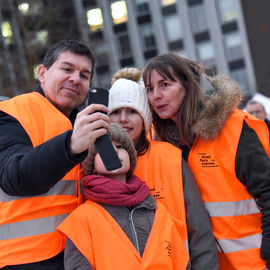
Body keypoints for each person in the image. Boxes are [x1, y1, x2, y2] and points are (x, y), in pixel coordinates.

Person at [142, 52, 270, 270]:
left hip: (256, 262)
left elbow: (267, 191)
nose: (156, 95)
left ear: (187, 86)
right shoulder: (161, 143)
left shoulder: (234, 127)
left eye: (165, 85)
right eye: (150, 89)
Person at [0, 40, 110, 269]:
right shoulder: (12, 113)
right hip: (26, 259)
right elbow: (14, 176)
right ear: (42, 73)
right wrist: (70, 146)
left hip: (78, 256)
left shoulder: (87, 125)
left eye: (84, 75)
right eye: (67, 69)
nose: (75, 79)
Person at [108, 67, 219, 269]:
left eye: (132, 111)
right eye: (115, 112)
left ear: (145, 119)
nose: (123, 119)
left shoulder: (171, 157)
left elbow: (199, 230)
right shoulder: (95, 165)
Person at [57, 123, 191, 270]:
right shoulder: (82, 219)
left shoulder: (158, 211)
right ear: (92, 165)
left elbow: (181, 263)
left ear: (130, 158)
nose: (114, 151)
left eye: (120, 147)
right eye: (105, 147)